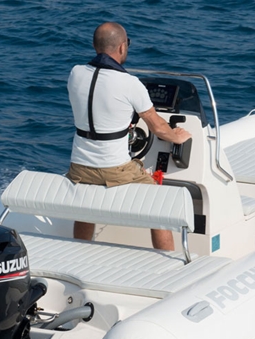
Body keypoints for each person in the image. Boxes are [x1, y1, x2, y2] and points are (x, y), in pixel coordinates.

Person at [66, 22, 192, 251]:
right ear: (122, 47)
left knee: (85, 204)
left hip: (79, 167)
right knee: (159, 205)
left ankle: (80, 250)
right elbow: (158, 127)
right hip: (114, 169)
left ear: (94, 45)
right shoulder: (130, 84)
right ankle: (169, 263)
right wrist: (178, 137)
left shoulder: (75, 73)